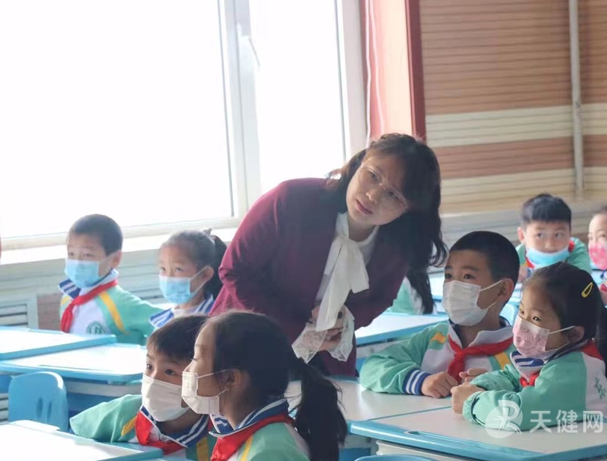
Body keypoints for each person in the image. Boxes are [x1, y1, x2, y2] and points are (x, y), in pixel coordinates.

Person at [211, 134, 445, 375]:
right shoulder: (291, 199)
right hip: (243, 344)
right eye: (373, 176)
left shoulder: (399, 241)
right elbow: (234, 270)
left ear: (408, 210)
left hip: (326, 359)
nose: (373, 196)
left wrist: (346, 319)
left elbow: (382, 298)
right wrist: (296, 331)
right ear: (361, 161)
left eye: (393, 195)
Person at [451, 262, 607, 430]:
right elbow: (513, 376)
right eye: (522, 312)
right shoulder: (550, 353)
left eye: (536, 319)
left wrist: (472, 401)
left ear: (573, 334)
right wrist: (480, 386)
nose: (523, 323)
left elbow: (518, 414)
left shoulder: (573, 372)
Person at [170, 311, 347, 461]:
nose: (187, 370)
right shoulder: (238, 430)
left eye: (196, 358)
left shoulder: (271, 451)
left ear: (230, 379)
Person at [360, 231, 517, 397]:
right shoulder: (433, 338)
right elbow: (372, 367)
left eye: (468, 276)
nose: (453, 285)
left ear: (502, 289)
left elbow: (533, 395)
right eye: (449, 276)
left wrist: (497, 388)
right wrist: (420, 381)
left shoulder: (520, 353)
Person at [70, 315, 216, 461]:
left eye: (170, 372)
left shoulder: (218, 435)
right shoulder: (123, 412)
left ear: (206, 378)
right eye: (149, 366)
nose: (154, 379)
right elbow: (72, 438)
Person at [59, 214, 159, 344]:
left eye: (87, 255)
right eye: (71, 253)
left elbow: (170, 325)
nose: (77, 262)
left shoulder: (120, 303)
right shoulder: (68, 298)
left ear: (115, 259)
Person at [150, 229, 227, 328]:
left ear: (205, 274)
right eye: (163, 269)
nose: (168, 277)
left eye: (178, 269)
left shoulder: (215, 322)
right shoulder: (160, 322)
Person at [516, 194, 591, 282]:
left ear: (569, 233)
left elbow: (581, 277)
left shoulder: (575, 248)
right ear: (522, 236)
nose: (550, 245)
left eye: (558, 235)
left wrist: (530, 273)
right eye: (540, 235)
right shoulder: (515, 257)